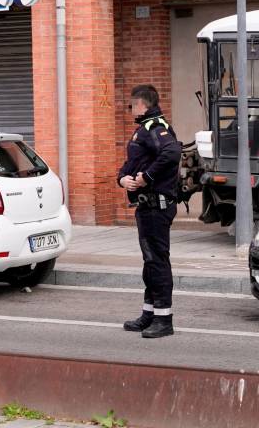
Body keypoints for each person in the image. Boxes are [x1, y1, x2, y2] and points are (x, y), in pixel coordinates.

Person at [117, 85, 182, 338]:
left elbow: (172, 152)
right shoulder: (143, 130)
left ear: (142, 104)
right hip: (146, 206)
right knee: (150, 262)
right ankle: (150, 313)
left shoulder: (156, 128)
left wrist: (146, 178)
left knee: (157, 262)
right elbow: (129, 165)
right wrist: (123, 179)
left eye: (132, 105)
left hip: (157, 205)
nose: (130, 109)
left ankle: (164, 320)